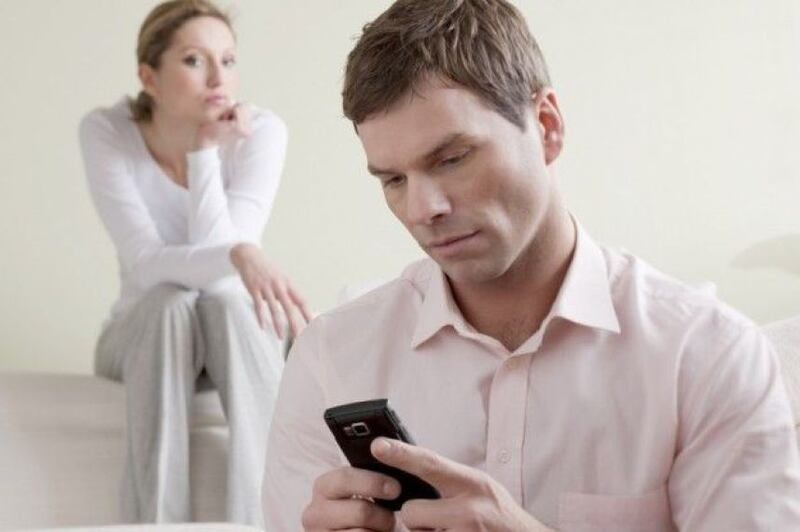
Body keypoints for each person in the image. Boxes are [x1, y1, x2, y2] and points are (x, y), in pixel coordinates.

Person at [261, 0, 800, 530]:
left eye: (451, 159)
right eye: (393, 180)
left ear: (546, 125)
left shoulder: (707, 355)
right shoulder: (330, 359)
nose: (423, 209)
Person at [78, 0, 311, 525]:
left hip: (231, 329)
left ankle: (266, 521)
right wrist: (239, 253)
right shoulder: (107, 132)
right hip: (142, 336)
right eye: (193, 60)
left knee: (227, 301)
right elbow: (145, 264)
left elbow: (225, 282)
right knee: (169, 302)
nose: (218, 78)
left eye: (228, 60)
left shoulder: (261, 131)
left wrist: (205, 153)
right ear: (149, 78)